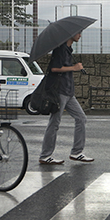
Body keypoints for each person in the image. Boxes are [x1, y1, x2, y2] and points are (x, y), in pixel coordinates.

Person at [39, 32, 93, 165]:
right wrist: (74, 68)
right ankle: (45, 155)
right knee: (55, 122)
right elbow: (54, 68)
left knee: (81, 118)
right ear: (70, 34)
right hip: (59, 92)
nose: (80, 35)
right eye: (79, 33)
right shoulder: (60, 49)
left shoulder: (68, 50)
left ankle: (76, 152)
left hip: (69, 92)